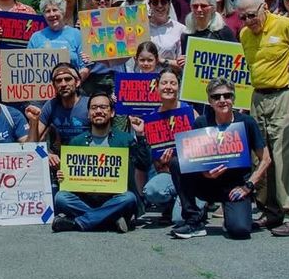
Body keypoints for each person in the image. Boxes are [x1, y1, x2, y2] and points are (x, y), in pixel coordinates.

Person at [236, 0, 289, 236]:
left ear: (264, 7)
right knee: (260, 155)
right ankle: (269, 210)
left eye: (251, 15)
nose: (248, 21)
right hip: (258, 96)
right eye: (242, 17)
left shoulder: (286, 26)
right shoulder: (244, 34)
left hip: (285, 93)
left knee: (285, 155)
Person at [169, 78, 272, 239]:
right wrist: (204, 173)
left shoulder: (247, 122)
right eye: (216, 97)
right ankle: (193, 220)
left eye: (227, 95)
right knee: (177, 162)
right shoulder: (201, 122)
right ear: (210, 101)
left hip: (235, 187)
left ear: (233, 98)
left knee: (240, 230)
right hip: (206, 182)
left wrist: (248, 186)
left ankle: (230, 214)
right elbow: (189, 159)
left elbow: (266, 159)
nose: (222, 100)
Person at [50, 93, 151, 233]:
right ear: (88, 114)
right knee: (61, 197)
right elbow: (71, 178)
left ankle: (78, 223)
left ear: (112, 113)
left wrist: (140, 135)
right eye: (94, 108)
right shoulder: (77, 142)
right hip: (86, 199)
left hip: (116, 198)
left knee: (129, 198)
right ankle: (110, 220)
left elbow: (144, 164)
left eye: (103, 107)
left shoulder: (125, 139)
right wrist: (63, 176)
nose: (98, 111)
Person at [142, 68, 197, 223]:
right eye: (164, 83)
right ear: (157, 87)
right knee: (152, 191)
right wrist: (163, 164)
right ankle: (170, 202)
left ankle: (199, 203)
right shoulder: (151, 118)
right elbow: (155, 163)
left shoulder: (191, 113)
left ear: (179, 87)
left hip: (192, 176)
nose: (168, 87)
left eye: (173, 83)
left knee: (180, 220)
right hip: (168, 175)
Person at [26, 63, 89, 161]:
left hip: (87, 161)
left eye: (68, 79)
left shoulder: (90, 105)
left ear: (77, 83)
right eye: (58, 81)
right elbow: (30, 146)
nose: (63, 84)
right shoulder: (50, 106)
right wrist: (45, 155)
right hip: (60, 165)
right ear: (54, 86)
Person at [27, 0, 90, 82]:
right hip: (43, 89)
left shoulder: (77, 34)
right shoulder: (36, 38)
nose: (52, 14)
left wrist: (77, 81)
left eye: (55, 10)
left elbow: (85, 67)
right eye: (47, 11)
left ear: (62, 11)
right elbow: (28, 68)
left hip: (71, 88)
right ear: (43, 15)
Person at [178, 0, 237, 66]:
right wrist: (183, 61)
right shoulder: (186, 35)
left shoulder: (223, 32)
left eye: (203, 6)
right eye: (195, 6)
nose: (199, 9)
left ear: (213, 8)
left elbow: (236, 59)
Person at [147, 0, 184, 67]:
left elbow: (183, 64)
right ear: (149, 4)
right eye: (155, 2)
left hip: (169, 74)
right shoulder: (141, 28)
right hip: (143, 75)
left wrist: (161, 61)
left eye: (163, 2)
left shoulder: (180, 29)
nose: (159, 5)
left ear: (169, 3)